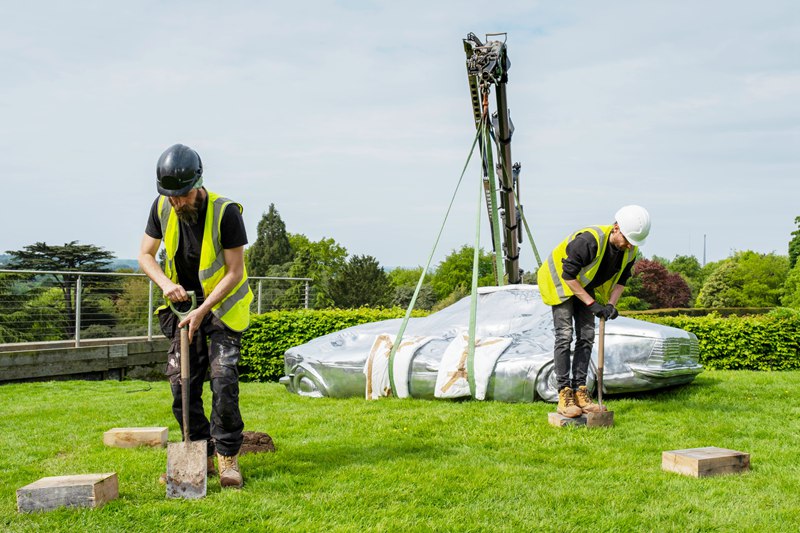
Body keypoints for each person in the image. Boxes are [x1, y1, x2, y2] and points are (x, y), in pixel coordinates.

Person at [138, 143, 253, 488]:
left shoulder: (227, 212)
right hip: (182, 307)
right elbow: (145, 254)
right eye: (171, 196)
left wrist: (204, 309)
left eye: (183, 196)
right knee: (182, 384)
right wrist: (164, 282)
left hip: (220, 307)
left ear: (198, 184)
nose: (177, 202)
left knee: (223, 381)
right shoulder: (161, 207)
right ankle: (197, 457)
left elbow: (234, 271)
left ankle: (228, 458)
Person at [536, 205, 651, 418]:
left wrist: (611, 305)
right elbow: (568, 276)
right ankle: (564, 393)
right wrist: (591, 304)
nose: (628, 246)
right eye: (626, 240)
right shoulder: (589, 240)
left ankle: (581, 392)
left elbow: (622, 281)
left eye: (632, 243)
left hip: (582, 283)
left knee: (587, 336)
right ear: (616, 228)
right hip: (559, 281)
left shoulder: (630, 250)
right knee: (564, 336)